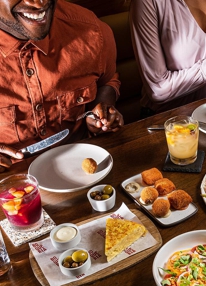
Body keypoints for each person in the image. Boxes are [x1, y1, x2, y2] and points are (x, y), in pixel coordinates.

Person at [0, 0, 124, 172]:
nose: (40, 2)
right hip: (12, 184)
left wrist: (101, 112)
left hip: (84, 171)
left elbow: (108, 81)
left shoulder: (92, 30)